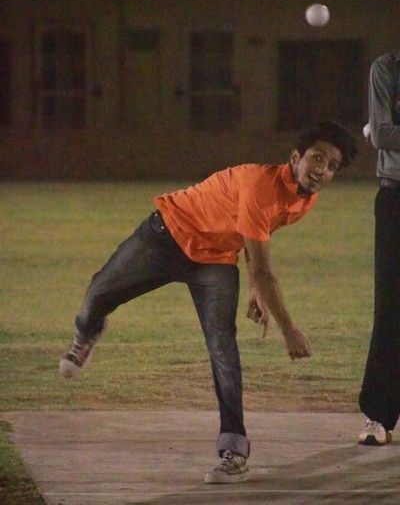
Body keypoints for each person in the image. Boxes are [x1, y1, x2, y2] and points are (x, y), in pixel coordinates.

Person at [60, 121, 357, 483]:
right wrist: (289, 330)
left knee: (223, 348)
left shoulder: (304, 200)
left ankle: (234, 450)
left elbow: (255, 238)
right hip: (168, 233)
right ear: (296, 158)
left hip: (214, 260)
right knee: (98, 292)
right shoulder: (260, 185)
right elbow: (264, 267)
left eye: (332, 166)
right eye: (317, 158)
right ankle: (85, 333)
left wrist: (255, 289)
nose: (322, 170)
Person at [359, 53, 400, 446]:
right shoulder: (386, 70)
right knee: (390, 307)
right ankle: (378, 415)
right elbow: (384, 136)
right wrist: (382, 130)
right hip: (395, 197)